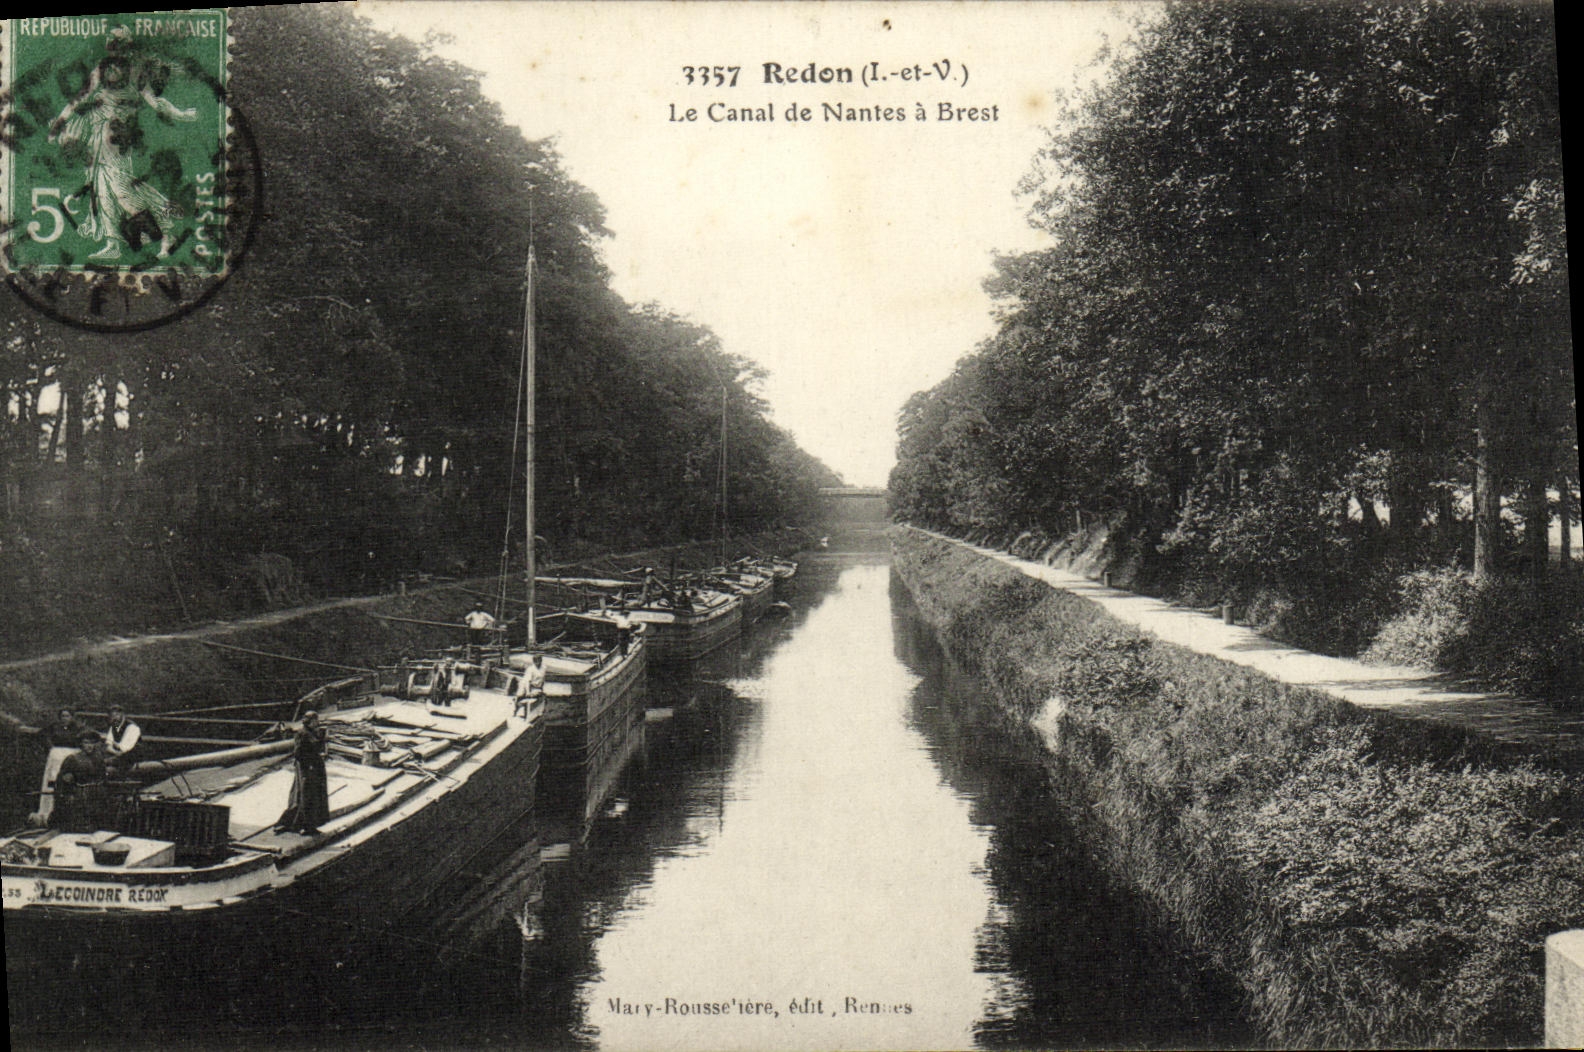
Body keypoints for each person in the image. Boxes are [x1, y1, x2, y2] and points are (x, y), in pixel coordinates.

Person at [47, 28, 198, 261]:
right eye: (112, 44)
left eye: (119, 44)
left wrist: (182, 115)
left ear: (126, 47)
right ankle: (113, 243)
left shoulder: (136, 74)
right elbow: (80, 99)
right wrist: (59, 123)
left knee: (122, 190)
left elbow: (156, 103)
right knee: (101, 190)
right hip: (99, 136)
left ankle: (166, 231)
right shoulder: (101, 70)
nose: (115, 49)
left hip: (118, 139)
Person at [274, 711, 329, 836]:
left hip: (315, 767)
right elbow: (298, 753)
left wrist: (322, 740)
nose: (318, 722)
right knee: (306, 796)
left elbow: (315, 747)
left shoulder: (313, 732)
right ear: (309, 721)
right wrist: (308, 765)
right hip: (306, 768)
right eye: (316, 720)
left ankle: (309, 825)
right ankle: (304, 826)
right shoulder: (302, 733)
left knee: (315, 796)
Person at [33, 709, 85, 824]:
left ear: (72, 717)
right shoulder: (54, 727)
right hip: (56, 757)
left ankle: (69, 813)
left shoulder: (78, 728)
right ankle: (48, 811)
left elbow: (85, 738)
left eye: (67, 716)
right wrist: (50, 747)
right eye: (62, 716)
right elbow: (41, 734)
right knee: (53, 781)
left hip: (71, 756)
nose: (65, 718)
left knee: (68, 781)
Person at [51, 729, 108, 831]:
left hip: (96, 797)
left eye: (92, 743)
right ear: (81, 744)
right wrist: (68, 797)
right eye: (86, 743)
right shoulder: (73, 759)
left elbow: (103, 778)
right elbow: (63, 782)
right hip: (80, 797)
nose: (90, 746)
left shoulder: (99, 758)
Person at [103, 704, 141, 776]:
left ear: (122, 715)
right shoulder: (113, 727)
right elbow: (108, 744)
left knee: (110, 763)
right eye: (112, 716)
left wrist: (115, 746)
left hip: (132, 755)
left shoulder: (132, 726)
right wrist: (114, 750)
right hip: (117, 754)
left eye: (117, 715)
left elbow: (125, 748)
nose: (114, 718)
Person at [514, 654, 545, 718]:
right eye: (536, 661)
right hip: (526, 684)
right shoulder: (530, 669)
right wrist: (528, 692)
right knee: (521, 695)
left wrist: (542, 688)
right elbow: (527, 682)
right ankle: (516, 710)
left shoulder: (543, 668)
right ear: (534, 662)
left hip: (536, 686)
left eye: (540, 661)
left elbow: (543, 679)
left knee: (536, 695)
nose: (538, 663)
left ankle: (528, 712)